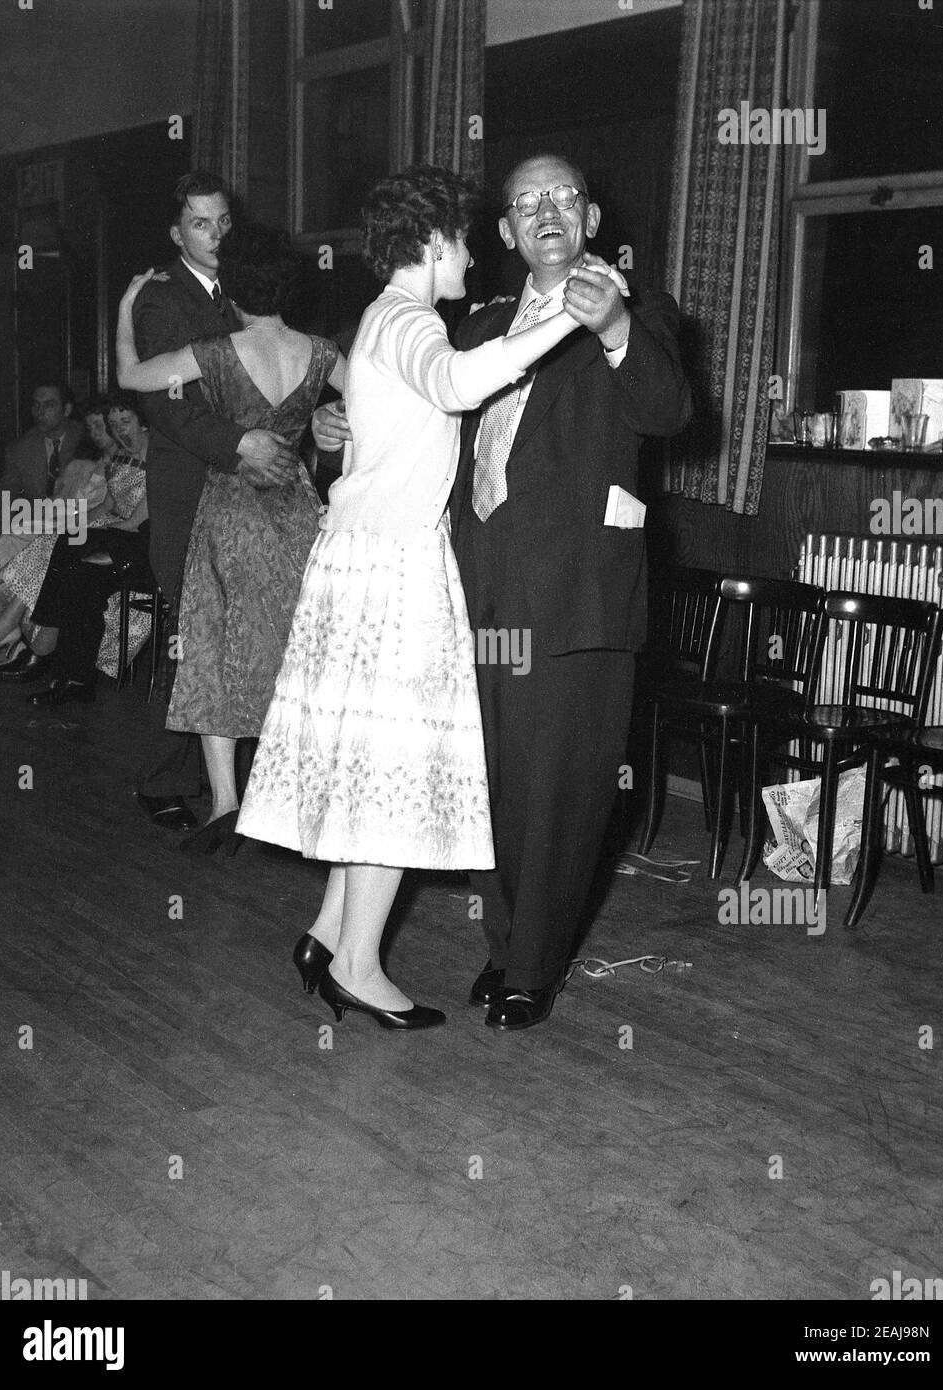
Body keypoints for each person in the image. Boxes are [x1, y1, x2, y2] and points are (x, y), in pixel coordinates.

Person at [315, 153, 692, 1031]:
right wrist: (347, 429)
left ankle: (533, 966)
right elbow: (424, 418)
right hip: (472, 589)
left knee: (561, 786)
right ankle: (507, 944)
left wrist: (615, 332)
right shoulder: (478, 321)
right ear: (505, 234)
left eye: (563, 196)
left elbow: (668, 412)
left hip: (576, 595)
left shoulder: (646, 312)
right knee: (489, 779)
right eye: (525, 203)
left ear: (591, 219)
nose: (545, 211)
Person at [237, 164, 600, 1033]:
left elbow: (394, 415)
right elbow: (455, 386)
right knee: (394, 770)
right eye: (465, 241)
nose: (472, 257)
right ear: (433, 244)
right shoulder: (408, 319)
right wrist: (559, 320)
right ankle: (360, 966)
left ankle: (328, 936)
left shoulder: (384, 319)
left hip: (364, 561)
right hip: (391, 570)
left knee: (369, 761)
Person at [115, 223, 345, 852]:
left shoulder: (214, 351)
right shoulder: (322, 352)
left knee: (214, 647)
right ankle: (295, 804)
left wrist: (126, 307)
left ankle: (226, 805)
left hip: (229, 514)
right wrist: (329, 424)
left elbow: (133, 378)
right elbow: (376, 409)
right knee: (297, 650)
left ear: (234, 287)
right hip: (296, 511)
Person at [131, 171, 303, 832]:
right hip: (190, 492)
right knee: (191, 637)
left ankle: (239, 784)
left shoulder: (249, 291)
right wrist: (241, 445)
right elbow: (166, 404)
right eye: (202, 224)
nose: (216, 234)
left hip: (252, 497)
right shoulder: (161, 300)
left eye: (224, 221)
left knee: (249, 631)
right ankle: (163, 777)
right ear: (177, 233)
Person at [15, 396, 150, 706]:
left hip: (144, 544)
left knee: (77, 562)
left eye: (124, 422)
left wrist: (104, 539)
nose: (119, 431)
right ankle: (75, 678)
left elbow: (137, 520)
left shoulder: (161, 456)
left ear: (143, 421)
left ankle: (48, 644)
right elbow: (108, 506)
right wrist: (78, 526)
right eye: (113, 425)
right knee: (75, 563)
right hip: (119, 534)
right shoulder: (121, 457)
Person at [0, 382, 84, 663]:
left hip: (77, 518)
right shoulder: (20, 448)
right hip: (37, 519)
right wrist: (1, 517)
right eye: (35, 405)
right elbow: (5, 492)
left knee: (14, 540)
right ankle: (1, 629)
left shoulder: (87, 437)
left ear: (67, 409)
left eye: (49, 405)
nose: (39, 412)